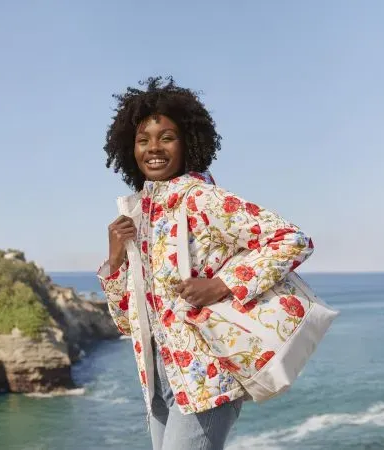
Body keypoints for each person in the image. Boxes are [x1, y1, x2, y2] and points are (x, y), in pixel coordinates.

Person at [96, 76, 314, 450]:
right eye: (143, 140)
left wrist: (222, 284)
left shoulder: (202, 200)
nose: (154, 148)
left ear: (188, 144)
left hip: (207, 375)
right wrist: (115, 262)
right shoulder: (138, 216)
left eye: (167, 137)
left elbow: (292, 240)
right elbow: (126, 323)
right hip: (159, 380)